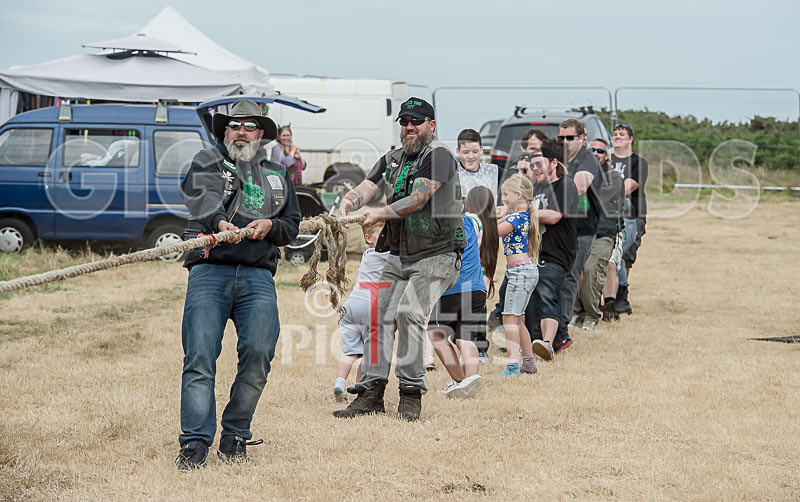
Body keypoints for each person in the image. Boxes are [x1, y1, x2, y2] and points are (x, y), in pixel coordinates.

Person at [175, 99, 301, 471]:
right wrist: (219, 223)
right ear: (225, 131)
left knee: (260, 356)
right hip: (209, 270)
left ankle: (235, 435)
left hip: (258, 274)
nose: (241, 131)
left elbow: (292, 222)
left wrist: (272, 227)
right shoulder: (207, 162)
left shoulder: (279, 173)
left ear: (261, 134)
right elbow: (201, 199)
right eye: (234, 125)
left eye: (249, 126)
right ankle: (195, 442)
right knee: (199, 358)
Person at [333, 97, 464, 421]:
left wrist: (378, 213)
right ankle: (371, 393)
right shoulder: (392, 159)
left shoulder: (440, 157)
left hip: (438, 253)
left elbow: (418, 198)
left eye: (416, 122)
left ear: (431, 126)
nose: (409, 127)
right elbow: (366, 186)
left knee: (408, 314)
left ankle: (410, 393)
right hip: (400, 254)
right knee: (378, 317)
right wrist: (347, 203)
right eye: (404, 121)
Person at [428, 207, 491, 398]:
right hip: (476, 288)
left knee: (436, 333)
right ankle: (470, 382)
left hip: (452, 289)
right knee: (465, 336)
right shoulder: (471, 222)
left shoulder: (439, 225)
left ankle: (460, 381)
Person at [525, 140, 578, 361]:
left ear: (553, 163)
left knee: (547, 293)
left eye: (539, 164)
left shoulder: (565, 184)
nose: (535, 169)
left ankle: (548, 344)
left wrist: (525, 213)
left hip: (557, 250)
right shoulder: (535, 188)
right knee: (529, 297)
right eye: (533, 165)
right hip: (535, 252)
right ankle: (548, 338)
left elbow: (555, 215)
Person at [555, 119, 600, 353]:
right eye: (561, 138)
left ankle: (561, 328)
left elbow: (580, 187)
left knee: (570, 275)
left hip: (582, 228)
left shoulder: (587, 159)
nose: (564, 142)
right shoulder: (560, 158)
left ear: (582, 138)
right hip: (559, 225)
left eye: (569, 138)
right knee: (553, 274)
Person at [333, 221, 390, 401]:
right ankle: (360, 389)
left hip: (350, 306)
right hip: (369, 307)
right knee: (368, 353)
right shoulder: (387, 256)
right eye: (383, 236)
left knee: (349, 352)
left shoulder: (366, 254)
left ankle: (339, 383)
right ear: (368, 238)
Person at [572, 139, 623, 330]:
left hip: (603, 233)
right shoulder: (577, 173)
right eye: (591, 150)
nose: (595, 153)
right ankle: (576, 311)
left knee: (592, 270)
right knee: (576, 271)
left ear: (606, 155)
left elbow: (589, 194)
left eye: (599, 151)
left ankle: (592, 314)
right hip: (580, 231)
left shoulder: (613, 177)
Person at [496, 175, 540, 376]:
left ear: (518, 195)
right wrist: (504, 211)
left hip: (519, 271)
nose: (503, 197)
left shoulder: (515, 218)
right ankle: (528, 362)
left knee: (509, 318)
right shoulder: (522, 215)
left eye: (506, 194)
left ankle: (513, 365)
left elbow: (493, 232)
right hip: (526, 270)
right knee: (518, 318)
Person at [609, 123, 648, 315]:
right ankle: (616, 299)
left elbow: (627, 187)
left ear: (631, 139)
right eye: (615, 134)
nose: (617, 136)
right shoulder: (605, 159)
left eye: (622, 134)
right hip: (607, 214)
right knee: (614, 256)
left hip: (632, 215)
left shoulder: (638, 163)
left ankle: (619, 297)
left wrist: (602, 193)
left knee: (624, 257)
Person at [463, 186, 499, 363]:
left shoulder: (470, 220)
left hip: (470, 273)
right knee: (479, 311)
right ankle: (482, 349)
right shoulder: (490, 223)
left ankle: (470, 349)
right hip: (483, 275)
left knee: (467, 314)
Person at [456, 128, 498, 202]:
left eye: (475, 152)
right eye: (465, 152)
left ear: (481, 150)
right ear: (458, 151)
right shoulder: (452, 173)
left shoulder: (494, 171)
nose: (471, 156)